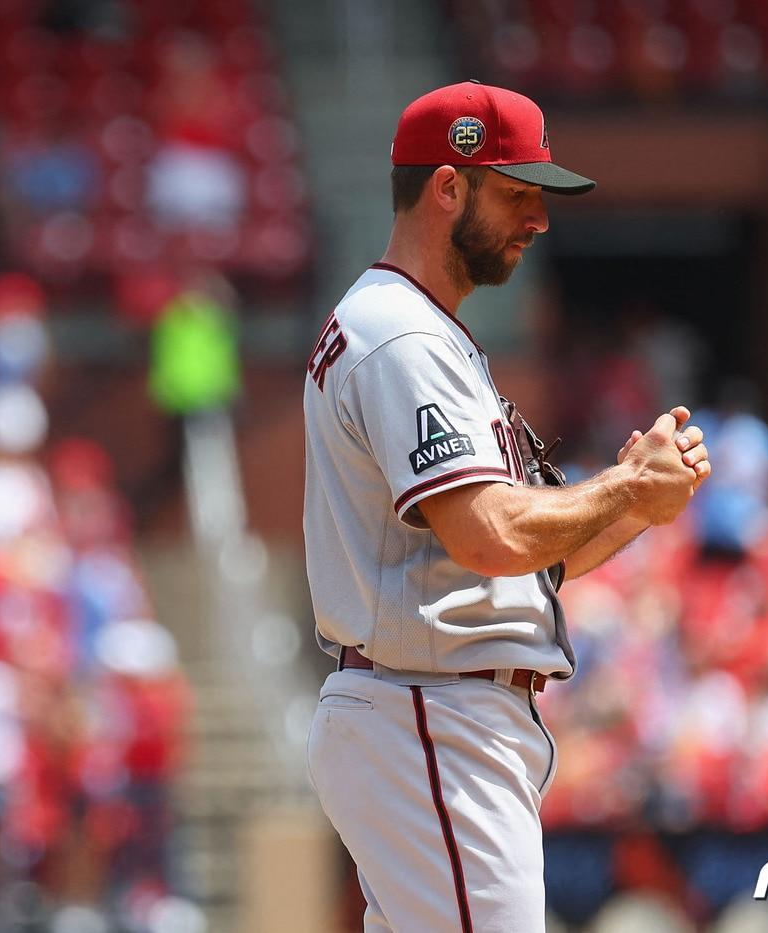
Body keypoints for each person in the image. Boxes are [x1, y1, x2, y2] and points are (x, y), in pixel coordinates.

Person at [301, 80, 712, 932]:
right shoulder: (404, 336)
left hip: (429, 711)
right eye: (518, 191)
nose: (540, 217)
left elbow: (529, 558)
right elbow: (489, 534)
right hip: (427, 709)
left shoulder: (418, 327)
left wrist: (634, 501)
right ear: (448, 185)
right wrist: (626, 485)